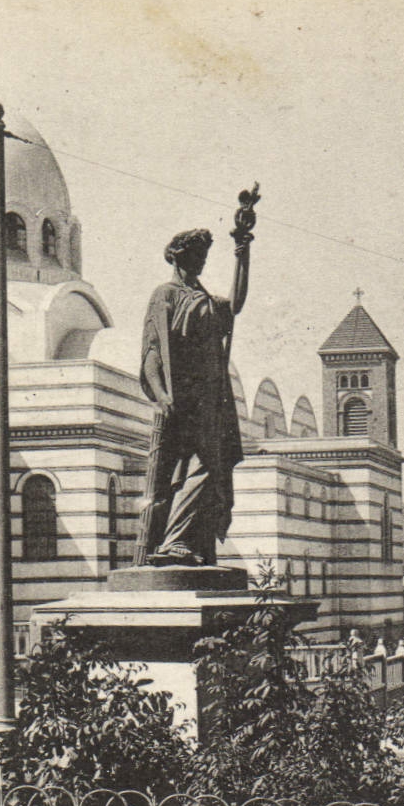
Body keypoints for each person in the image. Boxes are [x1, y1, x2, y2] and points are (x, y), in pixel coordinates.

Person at [134, 186, 259, 567]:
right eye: (198, 255)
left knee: (209, 469)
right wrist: (162, 395)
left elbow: (235, 304)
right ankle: (173, 542)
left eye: (206, 255)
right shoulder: (165, 295)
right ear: (181, 256)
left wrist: (243, 249)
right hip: (179, 402)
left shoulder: (205, 300)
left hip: (209, 403)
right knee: (193, 470)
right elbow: (152, 354)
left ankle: (185, 543)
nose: (203, 262)